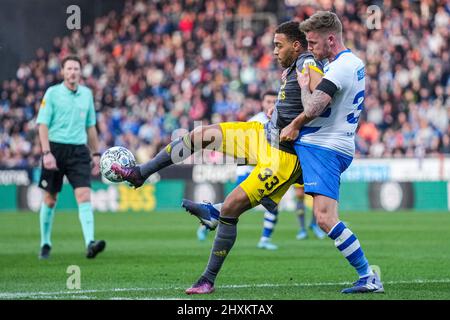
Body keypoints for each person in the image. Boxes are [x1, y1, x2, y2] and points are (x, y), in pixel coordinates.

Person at [110, 21, 324, 294]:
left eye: (278, 46)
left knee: (232, 208)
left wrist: (299, 117)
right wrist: (281, 111)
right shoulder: (293, 68)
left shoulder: (307, 64)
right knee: (201, 135)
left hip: (283, 154)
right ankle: (142, 172)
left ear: (296, 45)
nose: (273, 52)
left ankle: (208, 278)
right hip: (264, 134)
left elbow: (321, 98)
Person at [280, 11, 384, 293]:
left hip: (323, 146)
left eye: (313, 43)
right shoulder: (351, 63)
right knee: (268, 174)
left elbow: (313, 108)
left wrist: (295, 117)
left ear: (330, 39)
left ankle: (368, 275)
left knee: (325, 218)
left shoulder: (339, 68)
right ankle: (220, 212)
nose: (309, 48)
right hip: (329, 145)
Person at [36, 55, 106, 260]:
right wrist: (47, 153)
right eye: (69, 69)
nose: (72, 72)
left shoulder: (86, 94)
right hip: (55, 150)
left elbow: (91, 126)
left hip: (78, 151)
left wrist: (95, 153)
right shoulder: (52, 93)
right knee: (50, 199)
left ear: (80, 72)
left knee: (84, 195)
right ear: (63, 72)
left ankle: (90, 243)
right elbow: (42, 125)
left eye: (76, 68)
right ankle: (45, 243)